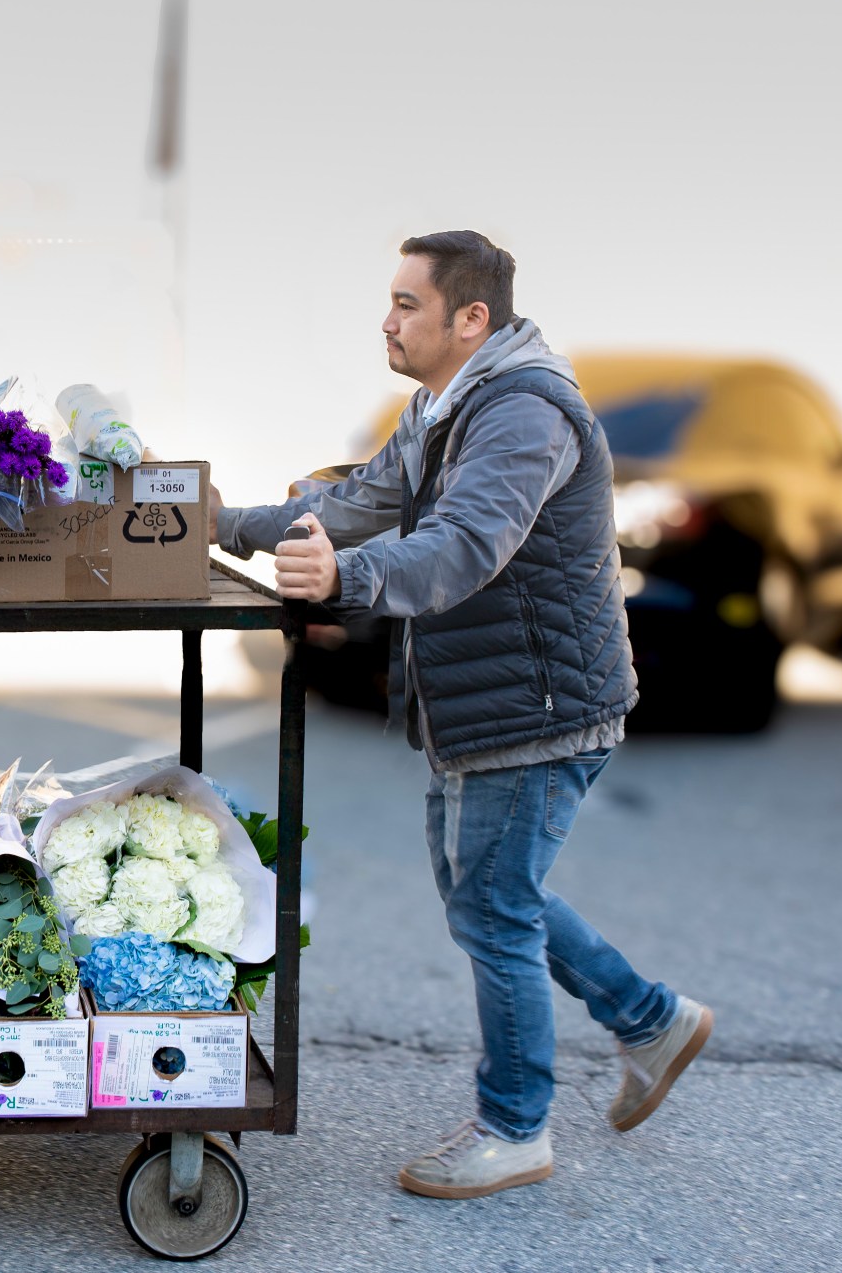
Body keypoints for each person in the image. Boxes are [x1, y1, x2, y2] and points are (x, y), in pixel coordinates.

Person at [210, 231, 712, 1200]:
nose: (387, 319)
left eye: (405, 303)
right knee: (491, 893)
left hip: (535, 705)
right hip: (485, 702)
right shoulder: (443, 406)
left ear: (468, 318)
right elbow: (354, 504)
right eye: (389, 301)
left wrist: (345, 578)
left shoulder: (521, 414)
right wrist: (201, 521)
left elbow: (465, 542)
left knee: (489, 906)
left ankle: (514, 1128)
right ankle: (647, 1019)